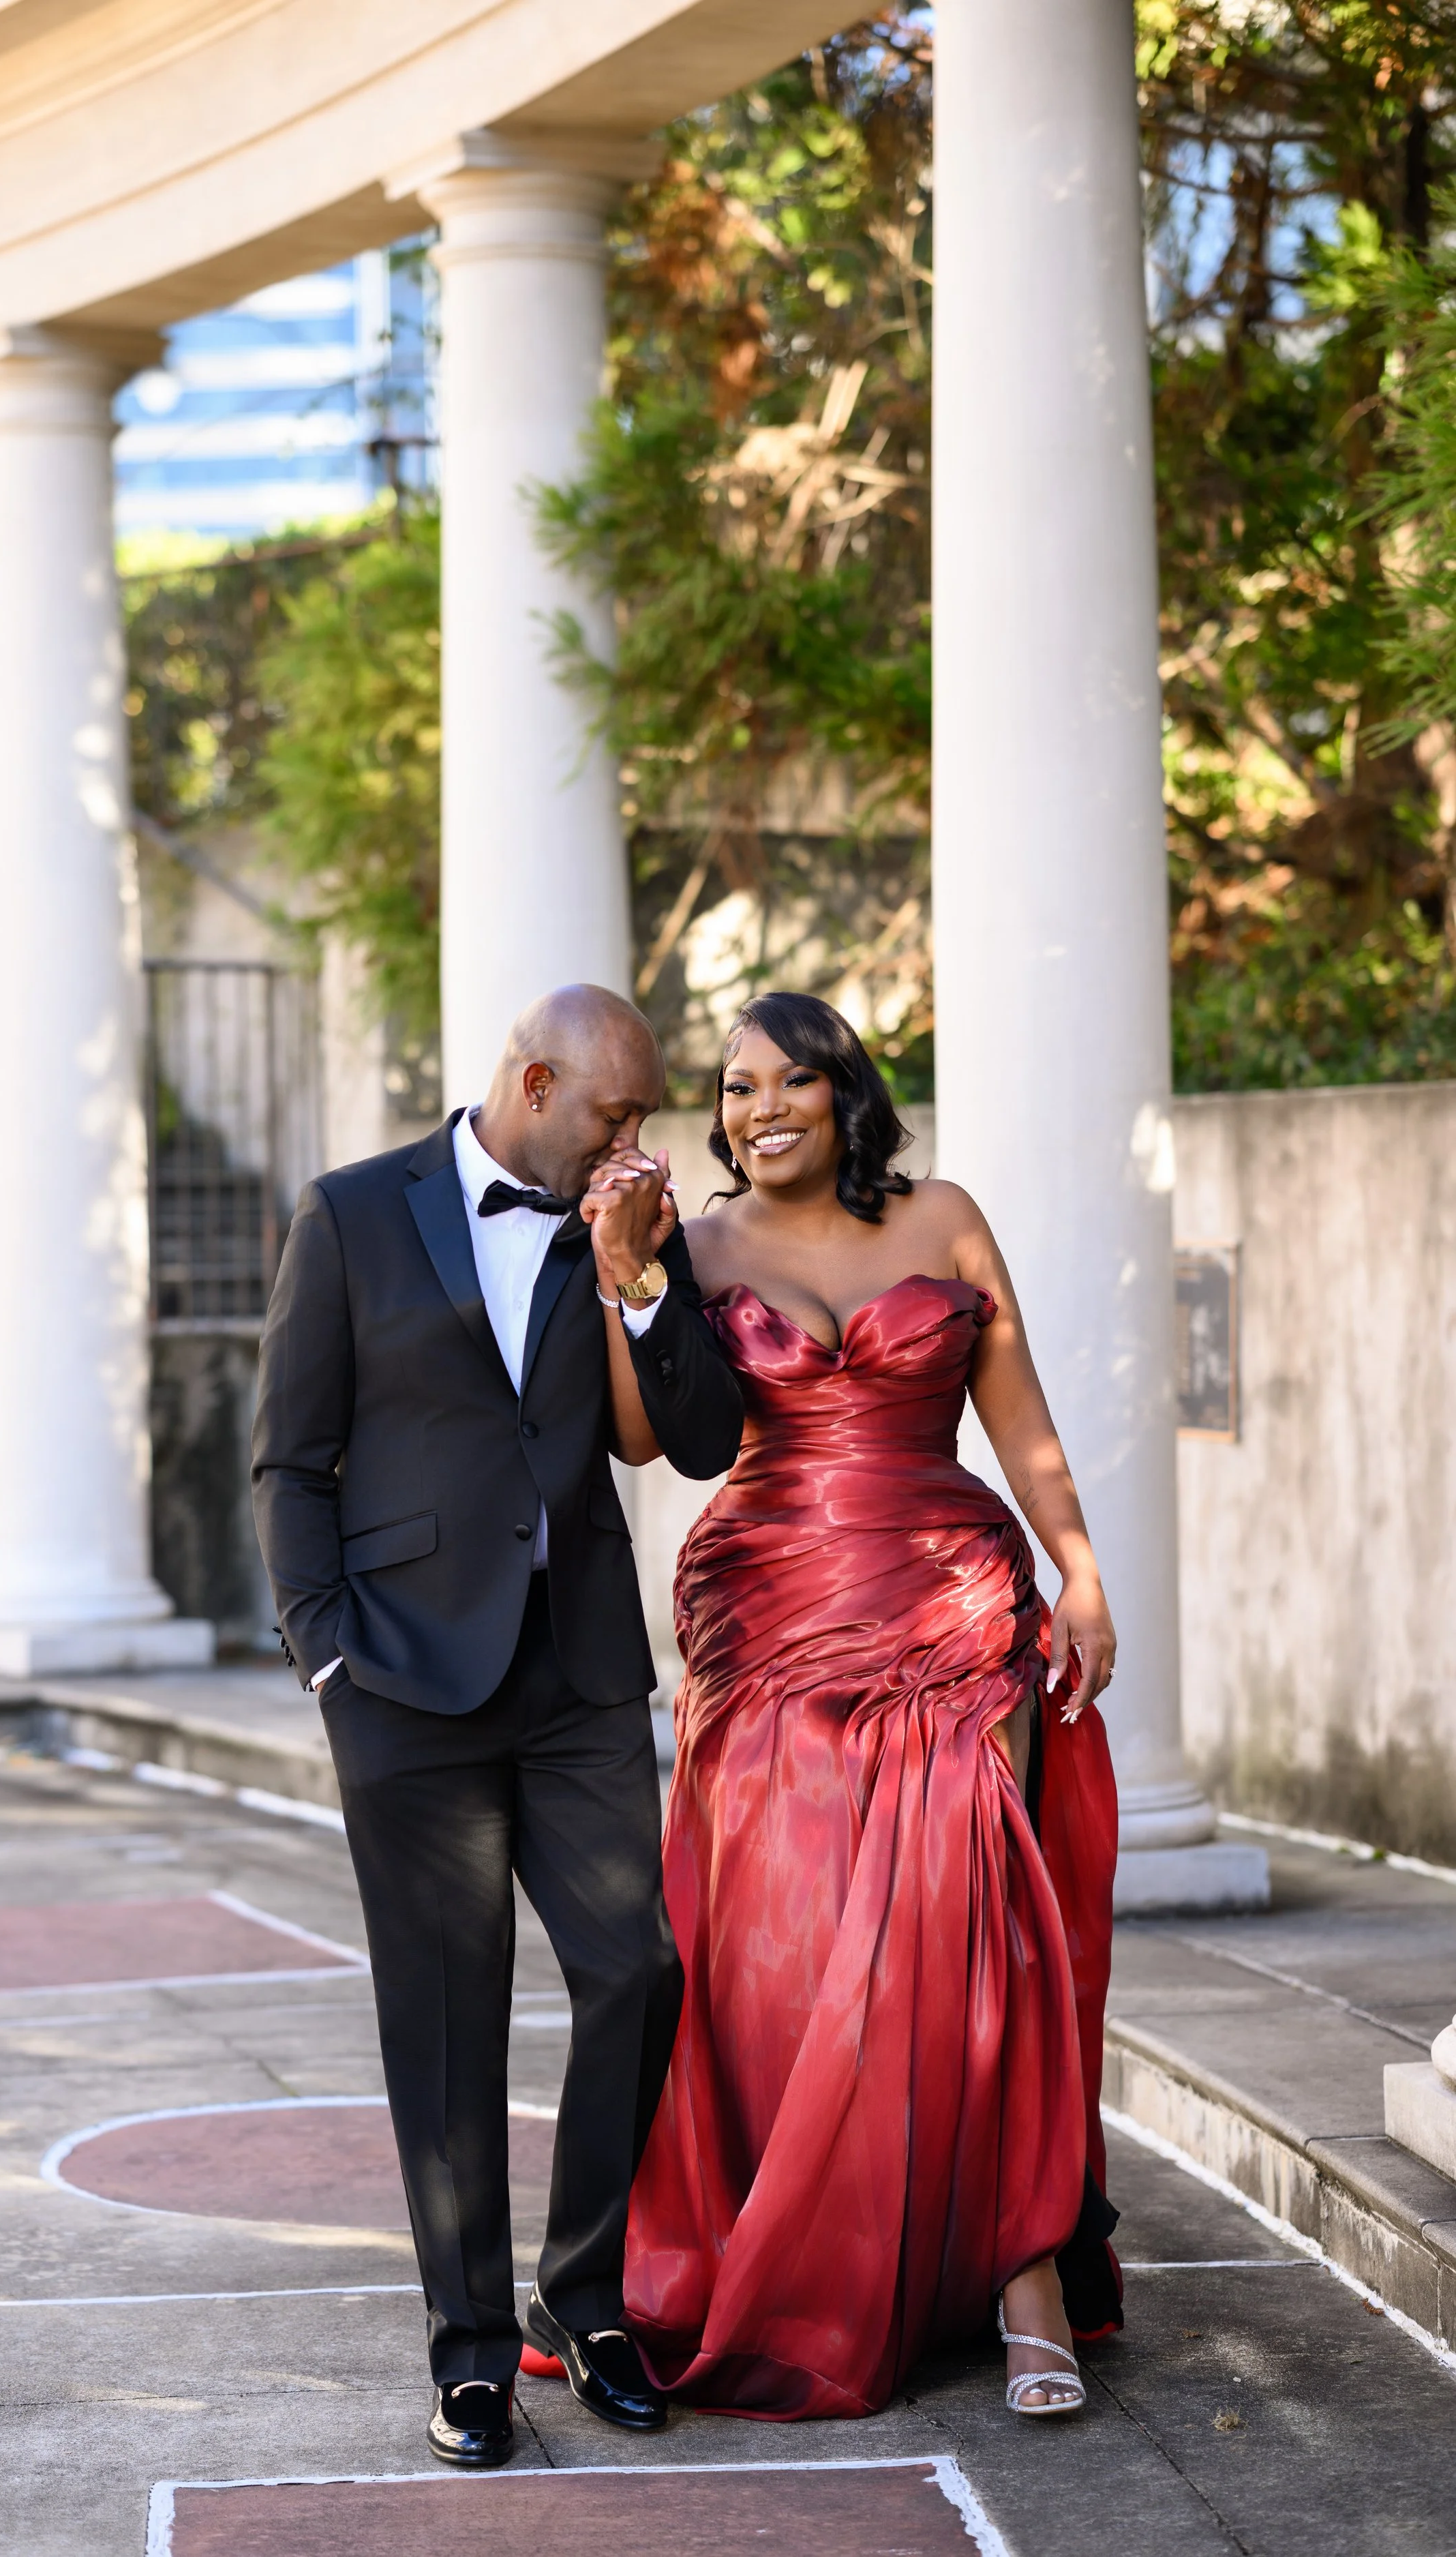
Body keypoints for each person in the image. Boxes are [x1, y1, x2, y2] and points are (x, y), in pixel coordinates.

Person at [603, 990, 1121, 2421]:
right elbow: (648, 1440)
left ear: (845, 1093)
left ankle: (1024, 2271)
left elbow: (1019, 1419)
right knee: (787, 1947)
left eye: (789, 1081)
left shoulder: (943, 1216)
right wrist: (630, 1282)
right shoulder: (694, 1247)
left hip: (953, 1601)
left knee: (974, 1924)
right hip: (768, 1614)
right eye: (734, 1087)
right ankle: (825, 2248)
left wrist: (1078, 1574)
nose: (759, 1108)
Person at [250, 984, 744, 2469]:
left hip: (576, 1674)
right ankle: (469, 2357)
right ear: (534, 1085)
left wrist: (638, 1278)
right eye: (615, 1111)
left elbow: (703, 1439)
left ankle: (579, 2301)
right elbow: (291, 1461)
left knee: (638, 1972)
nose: (636, 1139)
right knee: (447, 2017)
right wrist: (327, 1660)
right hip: (402, 1682)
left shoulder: (627, 1227)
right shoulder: (351, 1214)